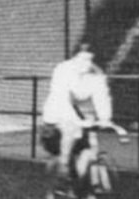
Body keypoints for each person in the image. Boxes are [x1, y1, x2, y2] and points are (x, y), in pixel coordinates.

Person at [42, 44, 116, 180]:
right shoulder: (62, 70)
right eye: (81, 59)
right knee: (71, 129)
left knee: (91, 145)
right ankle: (63, 166)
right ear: (74, 59)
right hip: (56, 113)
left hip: (81, 113)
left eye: (89, 59)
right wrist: (75, 120)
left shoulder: (96, 74)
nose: (86, 63)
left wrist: (105, 118)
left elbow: (102, 97)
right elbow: (60, 97)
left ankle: (85, 185)